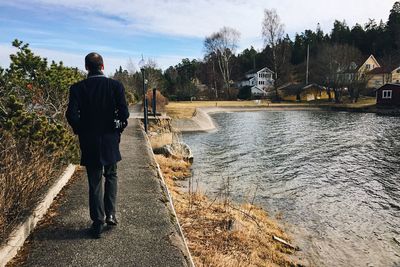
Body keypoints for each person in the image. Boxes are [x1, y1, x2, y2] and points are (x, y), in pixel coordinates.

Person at [66, 52, 129, 238]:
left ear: (86, 67)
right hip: (110, 139)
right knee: (111, 175)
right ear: (102, 66)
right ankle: (111, 214)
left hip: (89, 141)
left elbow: (71, 115)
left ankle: (97, 221)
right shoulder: (115, 86)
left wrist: (81, 130)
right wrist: (117, 128)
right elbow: (124, 114)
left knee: (94, 182)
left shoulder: (77, 88)